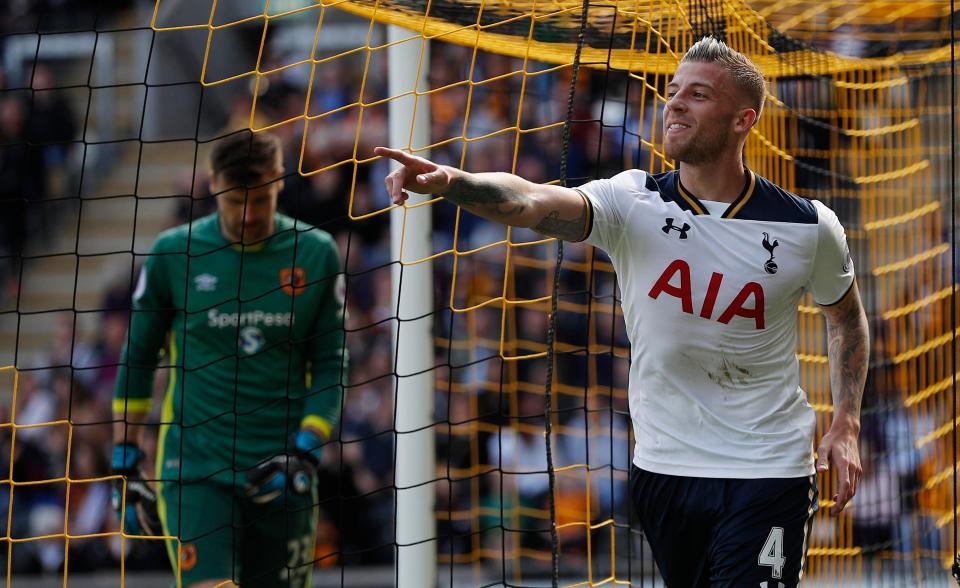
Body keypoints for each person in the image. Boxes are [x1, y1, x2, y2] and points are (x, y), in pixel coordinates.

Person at [375, 36, 868, 587]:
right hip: (665, 469)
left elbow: (845, 316)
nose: (675, 103)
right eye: (673, 91)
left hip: (769, 469)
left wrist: (845, 421)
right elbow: (529, 199)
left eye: (698, 94)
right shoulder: (632, 202)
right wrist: (454, 182)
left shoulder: (808, 225)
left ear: (742, 120)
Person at [112, 130, 348, 588]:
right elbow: (138, 358)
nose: (246, 215)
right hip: (197, 468)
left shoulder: (316, 253)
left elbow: (330, 362)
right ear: (212, 184)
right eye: (234, 202)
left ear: (280, 181)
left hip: (283, 467)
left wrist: (307, 450)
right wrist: (125, 461)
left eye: (258, 200)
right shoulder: (172, 254)